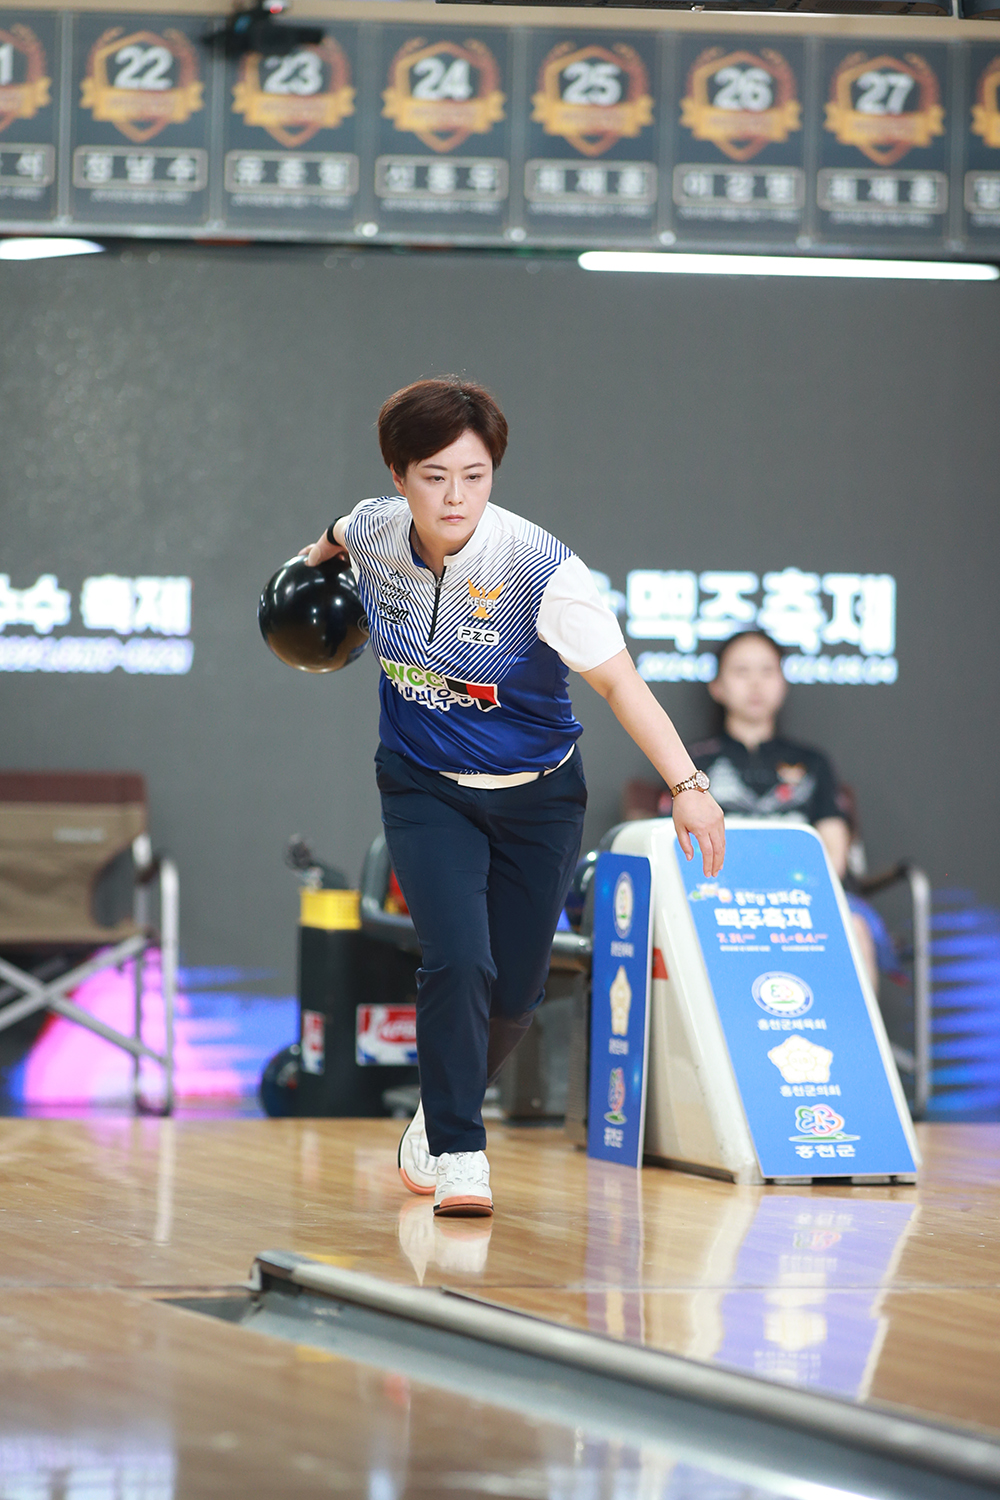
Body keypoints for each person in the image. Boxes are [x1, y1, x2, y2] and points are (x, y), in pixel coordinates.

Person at [302, 377, 725, 1219]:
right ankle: (461, 1152)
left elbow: (621, 684)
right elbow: (334, 536)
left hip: (538, 799)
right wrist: (304, 573)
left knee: (517, 992)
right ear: (399, 476)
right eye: (434, 477)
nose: (455, 496)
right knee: (459, 957)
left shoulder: (541, 570)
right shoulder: (375, 529)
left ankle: (438, 1111)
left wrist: (688, 786)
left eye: (475, 475)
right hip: (423, 784)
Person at [657, 629, 886, 985]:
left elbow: (834, 850)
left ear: (783, 683)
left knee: (854, 928)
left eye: (767, 671)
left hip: (801, 896)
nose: (755, 684)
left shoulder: (813, 762)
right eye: (741, 671)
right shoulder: (689, 764)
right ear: (717, 687)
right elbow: (672, 844)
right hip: (716, 895)